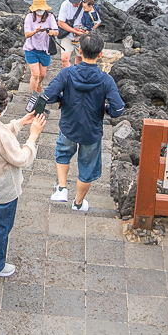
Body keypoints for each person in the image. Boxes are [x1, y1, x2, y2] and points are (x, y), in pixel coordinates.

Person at [0, 80, 47, 278]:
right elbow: (21, 159)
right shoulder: (0, 136)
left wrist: (21, 122)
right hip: (3, 188)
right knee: (1, 227)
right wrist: (33, 137)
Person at [43, 32, 125, 211]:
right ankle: (78, 203)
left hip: (68, 126)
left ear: (79, 51)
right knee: (87, 168)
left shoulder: (67, 73)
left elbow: (47, 95)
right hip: (92, 131)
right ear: (100, 54)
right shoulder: (106, 80)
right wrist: (105, 110)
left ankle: (62, 189)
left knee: (63, 154)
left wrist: (61, 99)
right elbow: (118, 109)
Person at [22, 0, 60, 94]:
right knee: (35, 74)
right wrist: (35, 31)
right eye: (38, 9)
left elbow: (57, 32)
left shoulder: (50, 17)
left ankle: (39, 84)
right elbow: (26, 34)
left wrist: (51, 32)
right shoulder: (29, 17)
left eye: (41, 9)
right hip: (31, 49)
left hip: (45, 49)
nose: (40, 11)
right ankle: (33, 96)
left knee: (42, 75)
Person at [57, 0, 87, 68]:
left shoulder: (86, 5)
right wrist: (74, 31)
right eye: (73, 2)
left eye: (77, 2)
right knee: (64, 58)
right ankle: (69, 74)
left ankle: (76, 74)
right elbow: (61, 23)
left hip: (82, 36)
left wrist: (84, 30)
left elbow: (95, 21)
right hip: (68, 35)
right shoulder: (65, 5)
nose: (74, 4)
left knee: (80, 57)